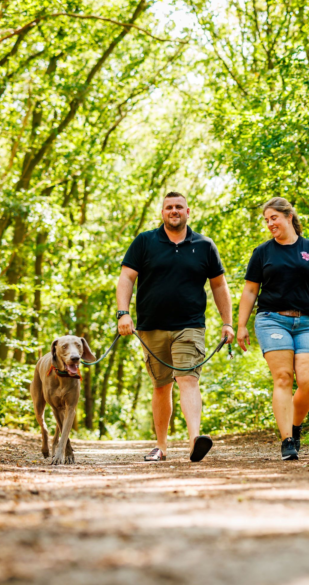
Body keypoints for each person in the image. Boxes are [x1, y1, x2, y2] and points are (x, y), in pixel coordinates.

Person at [116, 191, 234, 462]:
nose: (174, 211)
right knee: (161, 386)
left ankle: (195, 440)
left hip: (190, 326)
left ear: (188, 211)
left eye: (179, 206)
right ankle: (161, 446)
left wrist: (227, 323)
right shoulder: (144, 242)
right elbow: (126, 278)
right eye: (169, 207)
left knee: (188, 379)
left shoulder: (204, 245)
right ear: (162, 212)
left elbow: (219, 286)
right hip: (151, 326)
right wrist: (123, 314)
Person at [236, 197, 309, 460]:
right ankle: (287, 441)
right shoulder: (262, 253)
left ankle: (294, 425)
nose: (270, 224)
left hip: (307, 323)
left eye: (274, 218)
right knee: (283, 378)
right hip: (271, 320)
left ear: (289, 216)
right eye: (266, 220)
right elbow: (249, 291)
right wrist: (241, 325)